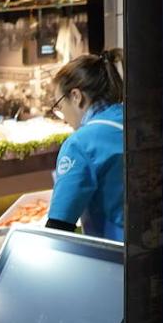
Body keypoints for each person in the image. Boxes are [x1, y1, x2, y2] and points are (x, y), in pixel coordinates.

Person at [46, 49, 125, 241]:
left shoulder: (80, 144)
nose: (63, 117)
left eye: (59, 106)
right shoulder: (136, 120)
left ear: (76, 96)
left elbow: (59, 226)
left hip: (116, 257)